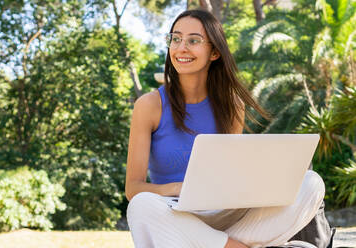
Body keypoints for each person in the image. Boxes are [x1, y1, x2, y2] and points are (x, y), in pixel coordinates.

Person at [125, 9, 325, 248]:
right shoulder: (149, 105)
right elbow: (133, 189)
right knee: (141, 205)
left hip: (225, 214)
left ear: (215, 52)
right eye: (175, 39)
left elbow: (230, 177)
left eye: (193, 41)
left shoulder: (231, 105)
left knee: (311, 183)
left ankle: (219, 244)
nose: (181, 48)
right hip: (174, 211)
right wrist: (181, 189)